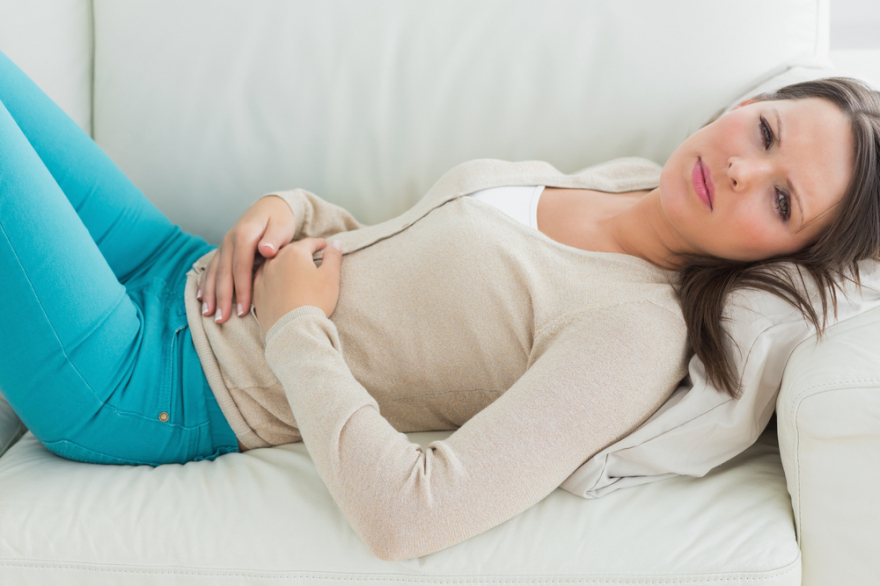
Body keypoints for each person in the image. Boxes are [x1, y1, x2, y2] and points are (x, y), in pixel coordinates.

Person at [0, 43, 877, 560]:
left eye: (781, 201)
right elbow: (397, 274)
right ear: (750, 105)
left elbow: (411, 515)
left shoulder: (634, 333)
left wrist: (297, 325)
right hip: (174, 265)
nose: (740, 170)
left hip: (142, 384)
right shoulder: (630, 184)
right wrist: (291, 213)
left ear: (783, 259)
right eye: (765, 134)